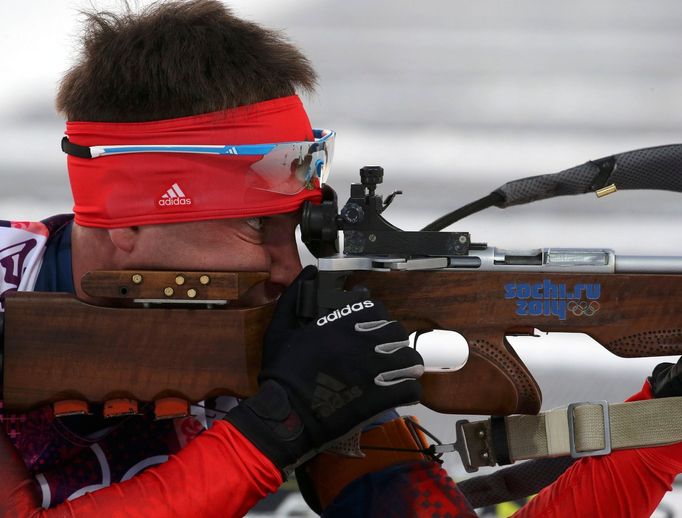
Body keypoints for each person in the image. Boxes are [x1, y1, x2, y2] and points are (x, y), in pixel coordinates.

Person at [0, 2, 681, 517]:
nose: (287, 268)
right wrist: (273, 429)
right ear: (129, 222)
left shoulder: (287, 346)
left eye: (296, 228)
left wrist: (665, 417)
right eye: (255, 228)